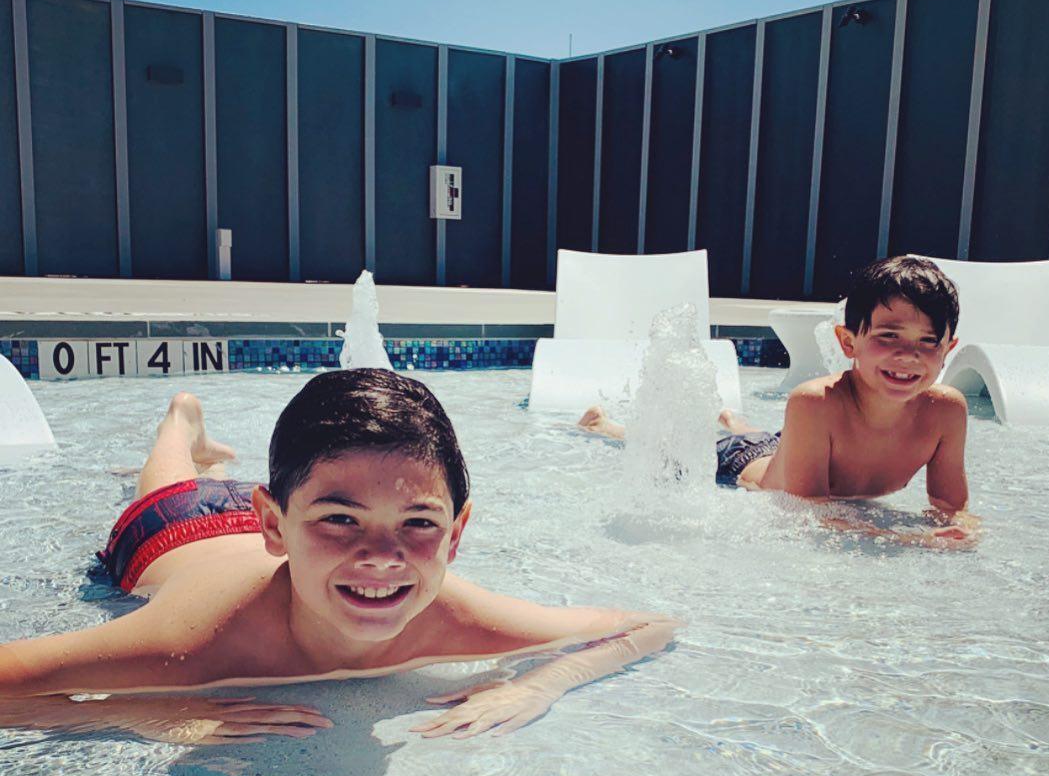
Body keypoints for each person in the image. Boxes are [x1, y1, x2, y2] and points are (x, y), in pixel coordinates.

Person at [0, 370, 675, 743]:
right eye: (345, 523)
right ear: (275, 526)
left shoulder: (454, 615)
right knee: (171, 478)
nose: (381, 558)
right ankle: (180, 418)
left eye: (418, 523)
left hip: (297, 500)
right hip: (178, 534)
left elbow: (649, 625)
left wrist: (538, 683)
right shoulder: (194, 644)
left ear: (457, 533)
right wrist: (143, 712)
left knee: (286, 492)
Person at [579, 256, 977, 546]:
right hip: (741, 464)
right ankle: (606, 426)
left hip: (788, 447)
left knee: (773, 440)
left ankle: (735, 418)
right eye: (888, 336)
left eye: (928, 342)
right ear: (848, 342)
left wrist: (961, 531)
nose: (908, 356)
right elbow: (808, 512)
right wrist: (903, 539)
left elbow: (948, 504)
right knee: (670, 453)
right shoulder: (815, 403)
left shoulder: (946, 411)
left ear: (948, 349)